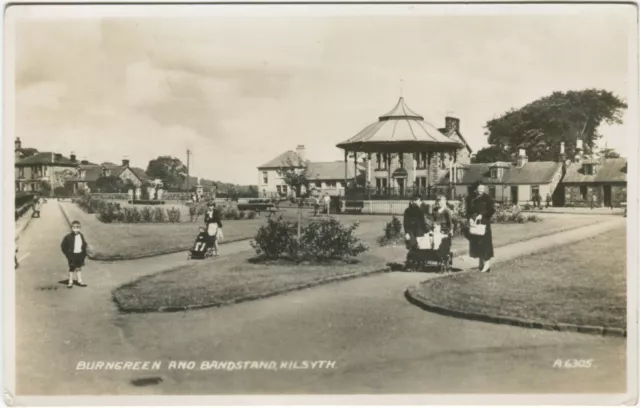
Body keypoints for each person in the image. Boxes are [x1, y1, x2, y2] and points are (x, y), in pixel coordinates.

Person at [467, 182, 495, 273]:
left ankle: (487, 264)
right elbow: (468, 211)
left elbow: (491, 211)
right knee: (477, 242)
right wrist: (470, 218)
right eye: (479, 187)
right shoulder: (472, 198)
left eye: (483, 187)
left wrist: (482, 215)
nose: (481, 189)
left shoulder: (487, 199)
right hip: (475, 223)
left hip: (484, 224)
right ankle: (481, 263)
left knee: (485, 243)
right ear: (476, 188)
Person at [60, 220, 89, 288]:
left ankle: (80, 281)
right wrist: (67, 253)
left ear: (80, 228)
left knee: (78, 267)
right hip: (72, 255)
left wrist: (84, 252)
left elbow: (84, 244)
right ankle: (70, 281)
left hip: (79, 254)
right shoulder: (68, 237)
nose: (76, 229)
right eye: (74, 227)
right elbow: (63, 245)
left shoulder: (81, 236)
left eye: (77, 227)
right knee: (72, 268)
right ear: (71, 228)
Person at [432, 195, 454, 262]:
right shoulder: (435, 210)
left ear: (444, 202)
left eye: (441, 201)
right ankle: (435, 253)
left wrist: (451, 229)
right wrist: (433, 224)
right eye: (438, 201)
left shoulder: (447, 210)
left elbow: (450, 221)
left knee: (442, 242)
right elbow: (433, 219)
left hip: (444, 229)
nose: (439, 203)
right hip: (435, 229)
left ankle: (441, 254)